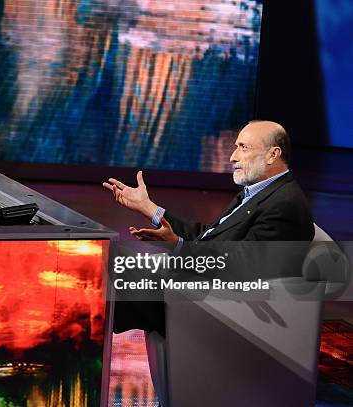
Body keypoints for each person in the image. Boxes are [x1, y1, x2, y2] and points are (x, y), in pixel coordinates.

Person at [103, 120, 315, 334]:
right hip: (193, 283)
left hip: (212, 304)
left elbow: (242, 268)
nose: (233, 157)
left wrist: (177, 246)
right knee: (108, 260)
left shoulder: (284, 205)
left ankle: (85, 344)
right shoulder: (256, 192)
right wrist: (149, 208)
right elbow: (208, 236)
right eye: (236, 147)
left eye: (244, 147)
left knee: (107, 268)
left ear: (273, 154)